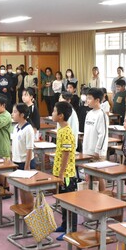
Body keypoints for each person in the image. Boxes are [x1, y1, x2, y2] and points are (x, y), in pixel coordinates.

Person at [52, 101, 77, 241]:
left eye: (54, 111)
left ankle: (71, 230)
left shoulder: (66, 131)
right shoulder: (61, 130)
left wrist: (61, 174)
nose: (52, 114)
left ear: (61, 116)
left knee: (69, 203)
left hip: (67, 174)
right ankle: (64, 224)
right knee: (63, 201)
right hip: (61, 173)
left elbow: (66, 154)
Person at [82, 88, 109, 193]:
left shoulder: (102, 115)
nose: (87, 101)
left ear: (97, 100)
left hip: (97, 152)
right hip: (88, 150)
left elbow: (103, 134)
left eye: (89, 98)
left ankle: (103, 195)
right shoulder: (89, 113)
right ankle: (91, 196)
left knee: (98, 176)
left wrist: (97, 150)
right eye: (87, 98)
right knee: (89, 176)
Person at [11, 103, 36, 207]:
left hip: (25, 162)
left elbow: (29, 149)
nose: (12, 114)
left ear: (22, 115)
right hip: (16, 161)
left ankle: (30, 209)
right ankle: (24, 209)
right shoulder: (16, 127)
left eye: (14, 112)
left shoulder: (28, 129)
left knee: (27, 189)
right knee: (21, 187)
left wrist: (27, 166)